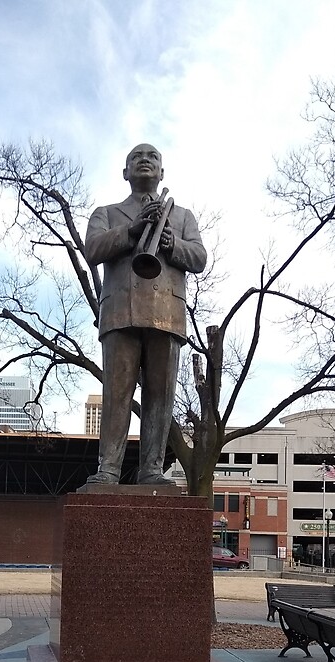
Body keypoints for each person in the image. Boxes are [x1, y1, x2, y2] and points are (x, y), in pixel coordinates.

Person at [85, 143, 207, 485]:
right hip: (119, 313)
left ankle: (151, 469)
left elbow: (199, 257)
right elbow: (92, 249)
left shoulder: (181, 216)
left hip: (166, 313)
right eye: (136, 157)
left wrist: (170, 243)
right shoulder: (106, 213)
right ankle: (108, 468)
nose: (144, 160)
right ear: (125, 173)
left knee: (160, 395)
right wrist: (133, 229)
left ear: (162, 173)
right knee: (117, 393)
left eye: (152, 157)